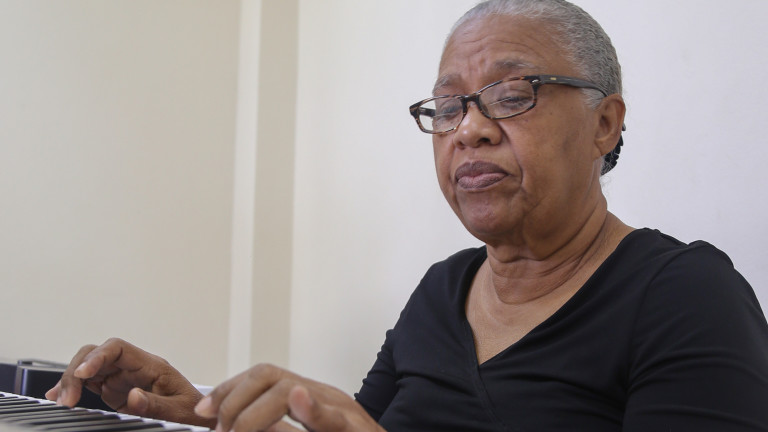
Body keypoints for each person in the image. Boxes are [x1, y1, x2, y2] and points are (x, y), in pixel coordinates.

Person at [46, 0, 768, 431]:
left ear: (604, 124)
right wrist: (201, 412)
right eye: (449, 106)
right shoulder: (442, 292)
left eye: (512, 94)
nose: (469, 129)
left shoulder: (687, 297)